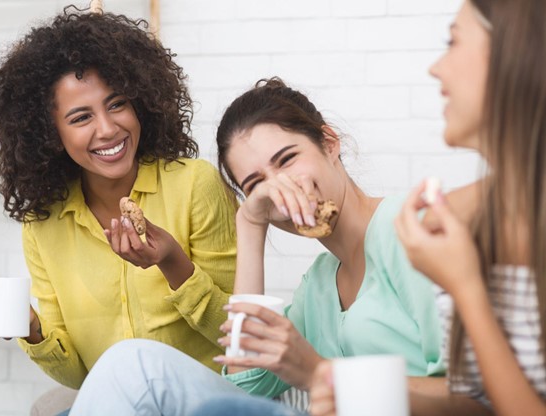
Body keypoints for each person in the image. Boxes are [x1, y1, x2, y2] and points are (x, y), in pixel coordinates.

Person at [68, 77, 446, 415]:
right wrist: (249, 224)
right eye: (255, 185)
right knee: (130, 368)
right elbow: (243, 386)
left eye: (287, 160)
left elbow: (480, 394)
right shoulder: (318, 287)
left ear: (330, 144)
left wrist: (320, 373)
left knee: (139, 375)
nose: (277, 190)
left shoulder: (408, 229)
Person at [0, 6, 237, 389]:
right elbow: (79, 376)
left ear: (140, 103)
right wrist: (31, 329)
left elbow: (236, 337)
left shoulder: (195, 185)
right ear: (49, 135)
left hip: (205, 400)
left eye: (117, 104)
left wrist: (172, 263)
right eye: (81, 118)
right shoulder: (43, 225)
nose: (108, 128)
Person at [308, 0, 546, 415]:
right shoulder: (457, 220)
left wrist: (465, 287)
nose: (436, 68)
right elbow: (478, 403)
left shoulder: (453, 251)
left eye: (453, 42)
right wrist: (369, 396)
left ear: (517, 53)